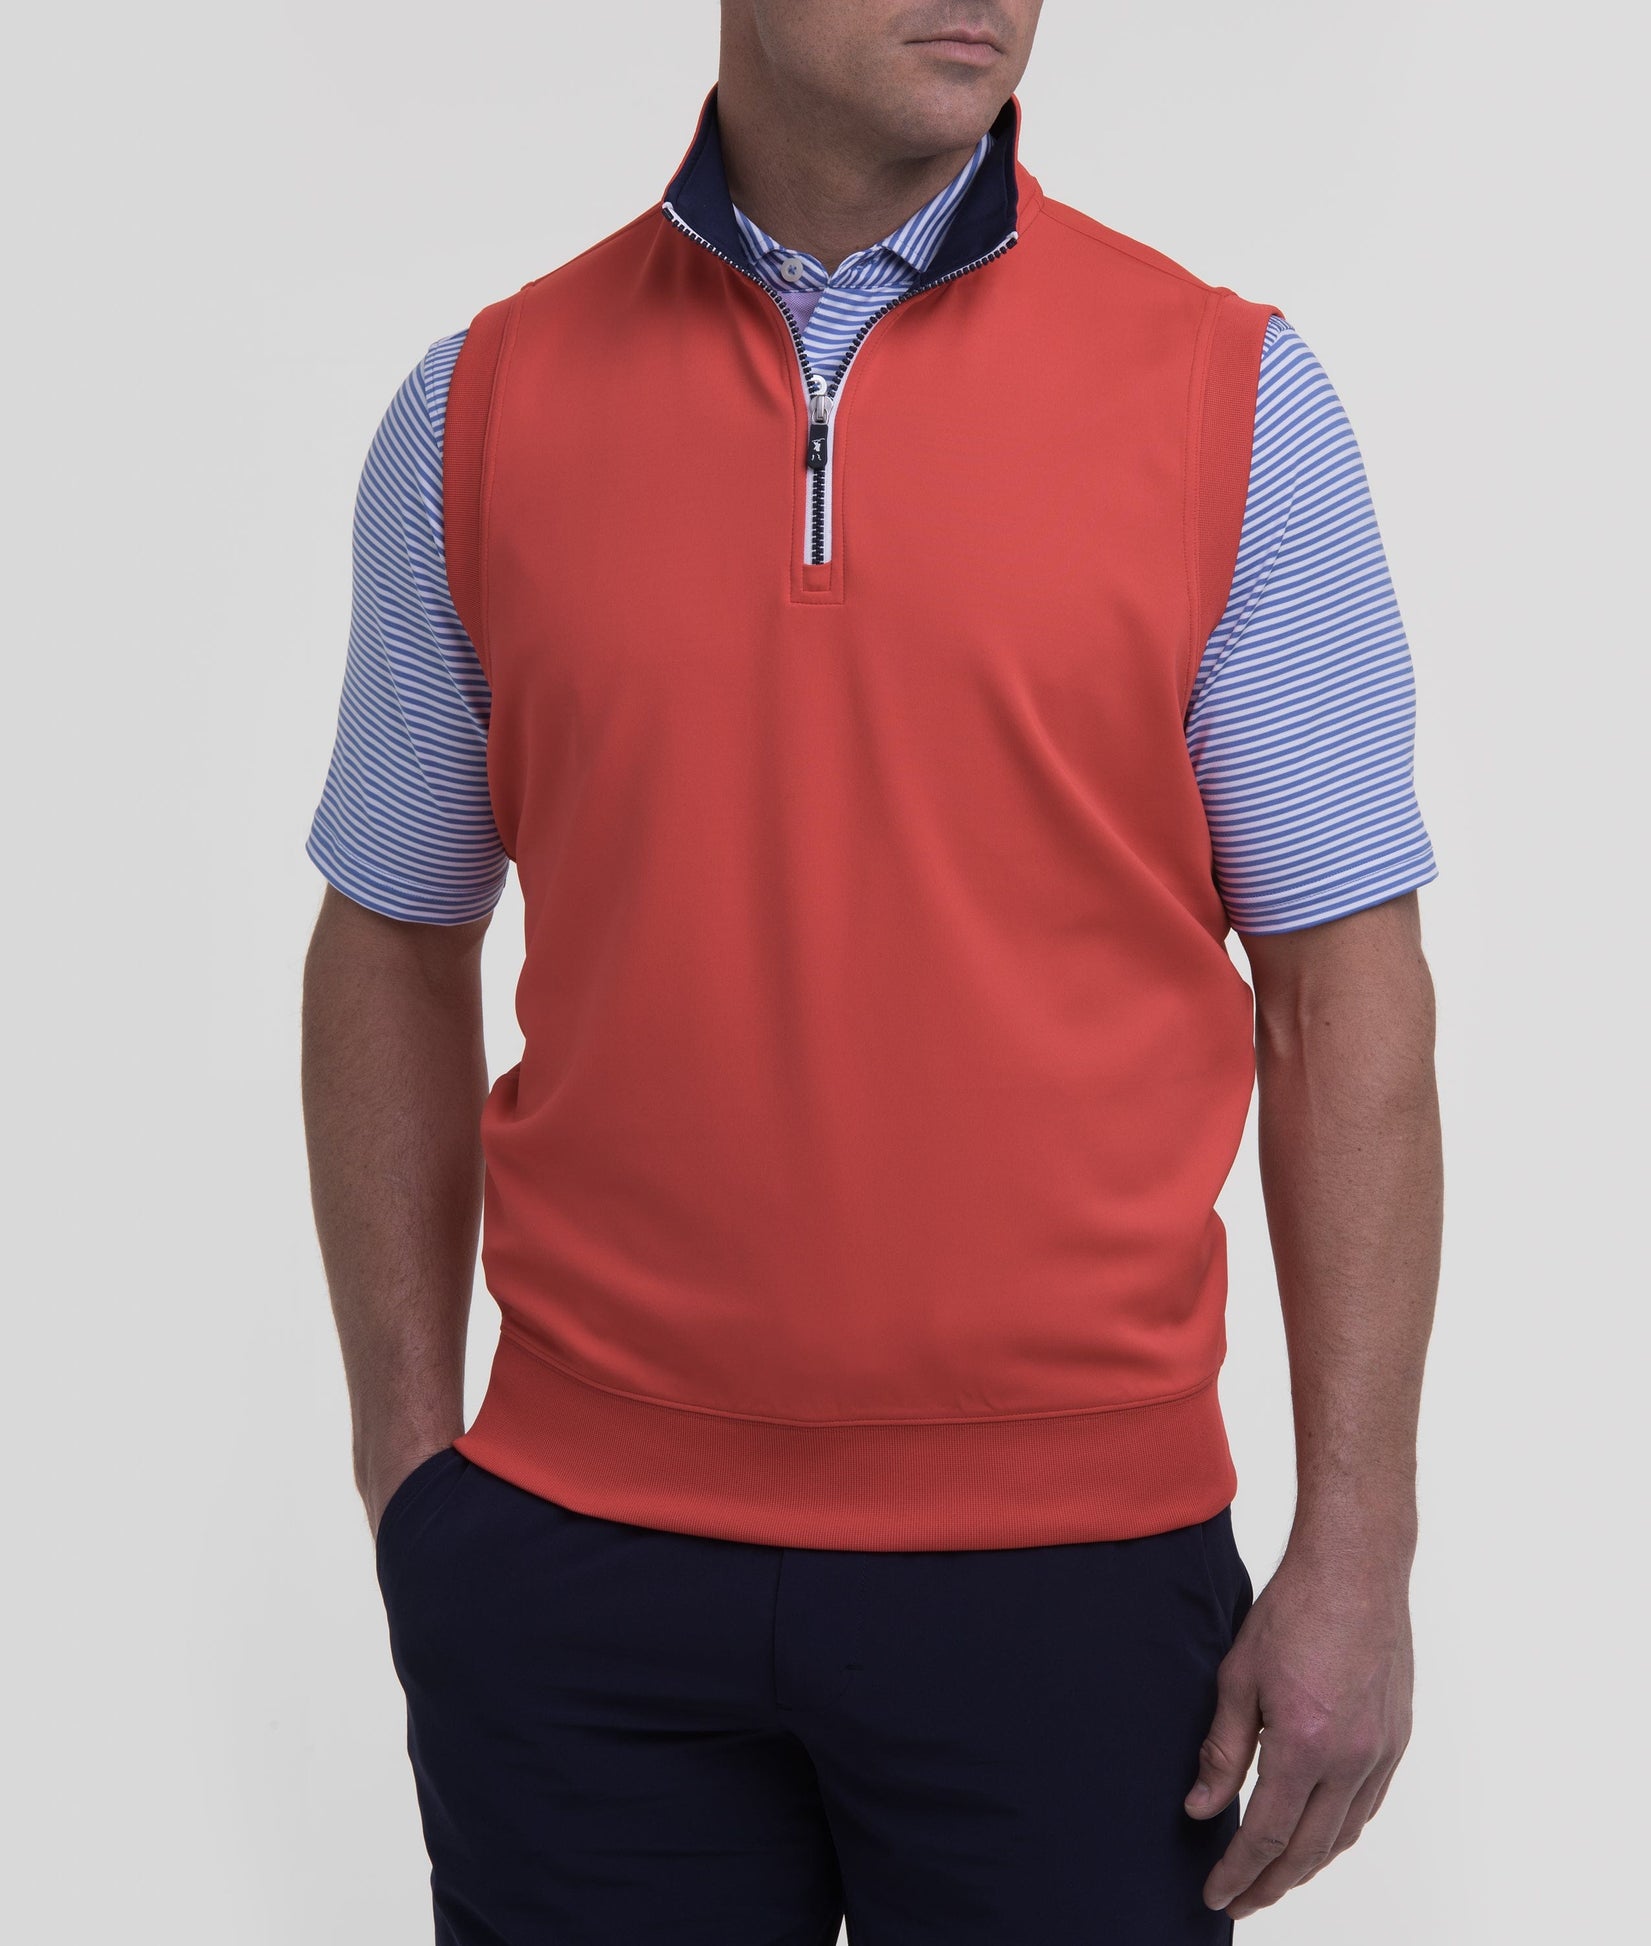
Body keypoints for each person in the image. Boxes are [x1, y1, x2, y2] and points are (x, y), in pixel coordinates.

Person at [302, 4, 1442, 1939]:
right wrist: (414, 1483)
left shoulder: (1228, 398)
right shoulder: (480, 404)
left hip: (1072, 1575)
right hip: (578, 1580)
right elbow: (393, 937)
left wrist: (1359, 1538)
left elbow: (1344, 1001)